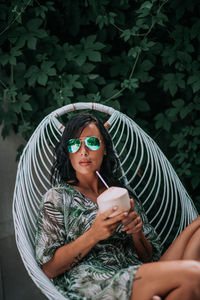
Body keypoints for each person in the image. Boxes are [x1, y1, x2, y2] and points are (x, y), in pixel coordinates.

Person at [35, 113, 200, 300]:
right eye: (74, 144)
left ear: (104, 148)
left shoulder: (121, 193)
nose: (83, 151)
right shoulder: (57, 197)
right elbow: (49, 269)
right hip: (96, 282)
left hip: (137, 271)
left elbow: (149, 257)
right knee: (194, 275)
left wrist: (137, 233)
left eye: (92, 142)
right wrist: (94, 233)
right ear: (68, 152)